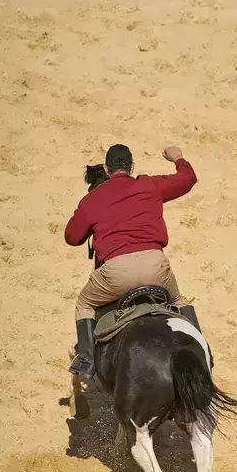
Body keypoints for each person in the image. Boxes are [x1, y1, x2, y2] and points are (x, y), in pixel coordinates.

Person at [65, 144, 199, 382]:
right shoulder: (149, 185)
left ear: (106, 169)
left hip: (115, 273)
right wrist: (177, 157)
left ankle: (85, 358)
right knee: (179, 301)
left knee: (84, 303)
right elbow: (188, 179)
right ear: (131, 167)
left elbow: (72, 237)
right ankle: (199, 355)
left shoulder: (92, 199)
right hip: (156, 266)